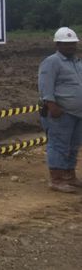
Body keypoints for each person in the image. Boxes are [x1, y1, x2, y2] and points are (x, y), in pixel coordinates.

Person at [38, 27, 82, 193]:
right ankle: (56, 179)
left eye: (73, 43)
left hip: (77, 113)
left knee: (73, 145)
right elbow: (45, 85)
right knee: (58, 145)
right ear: (58, 44)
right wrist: (51, 105)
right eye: (67, 44)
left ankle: (69, 176)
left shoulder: (76, 62)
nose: (71, 46)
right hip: (60, 112)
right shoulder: (52, 62)